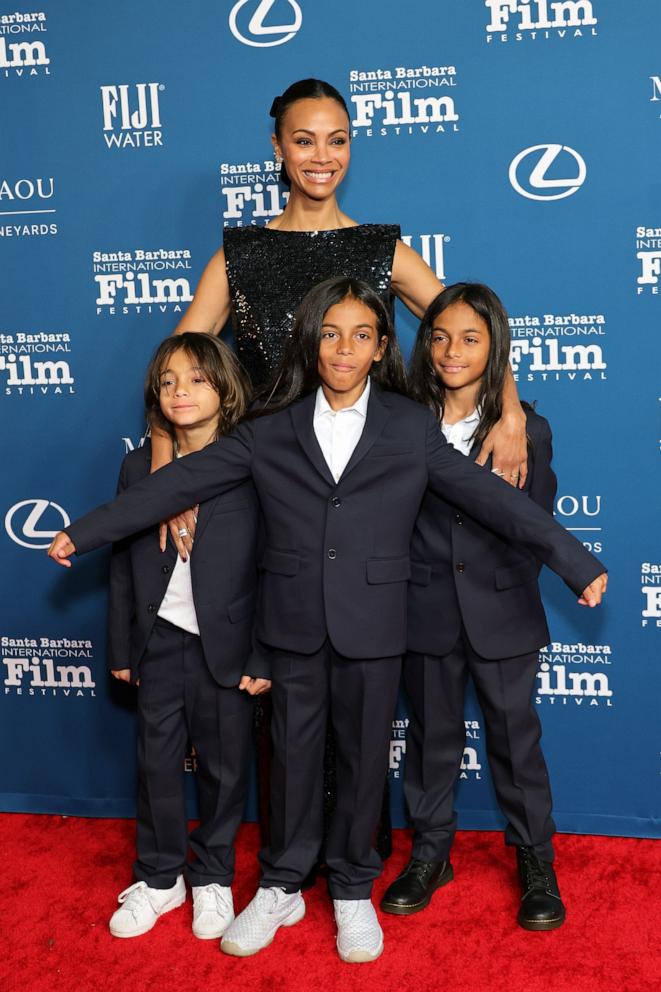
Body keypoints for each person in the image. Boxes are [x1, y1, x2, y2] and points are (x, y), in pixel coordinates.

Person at [48, 278, 607, 964]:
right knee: (290, 763)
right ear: (310, 343)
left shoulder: (409, 425)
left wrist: (575, 562)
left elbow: (492, 498)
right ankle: (281, 885)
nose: (345, 348)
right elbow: (177, 484)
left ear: (379, 349)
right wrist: (86, 532)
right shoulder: (269, 429)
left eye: (362, 335)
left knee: (364, 761)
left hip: (375, 624)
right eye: (330, 333)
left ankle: (349, 889)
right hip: (290, 626)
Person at [159, 78, 529, 558]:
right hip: (270, 480)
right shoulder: (240, 256)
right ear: (278, 147)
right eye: (303, 141)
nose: (322, 157)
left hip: (369, 479)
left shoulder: (382, 250)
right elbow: (173, 369)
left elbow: (469, 331)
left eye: (337, 140)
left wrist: (511, 411)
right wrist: (167, 472)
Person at [380, 283, 578, 930]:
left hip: (502, 612)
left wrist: (487, 587)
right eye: (437, 336)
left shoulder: (528, 429)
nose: (450, 351)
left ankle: (534, 862)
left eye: (468, 338)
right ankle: (431, 854)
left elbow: (534, 526)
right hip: (422, 610)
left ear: (495, 347)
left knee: (516, 747)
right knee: (431, 743)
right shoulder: (399, 420)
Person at [103, 333, 269, 941]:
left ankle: (214, 878)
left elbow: (274, 566)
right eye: (169, 380)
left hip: (226, 644)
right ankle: (158, 876)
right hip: (159, 638)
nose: (181, 391)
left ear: (226, 391)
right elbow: (122, 560)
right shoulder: (138, 465)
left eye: (198, 379)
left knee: (225, 768)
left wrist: (262, 651)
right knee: (155, 762)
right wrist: (122, 646)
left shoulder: (253, 464)